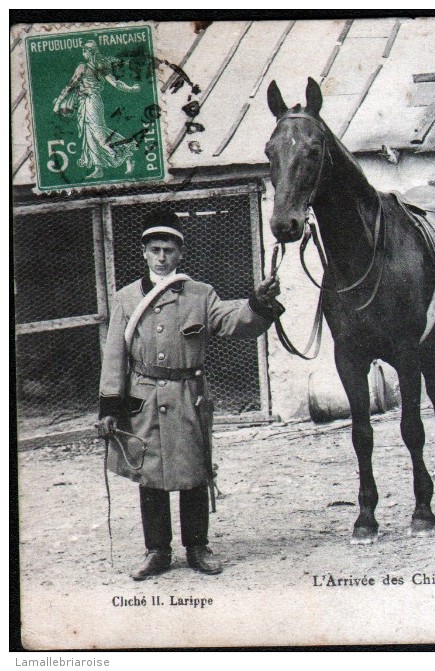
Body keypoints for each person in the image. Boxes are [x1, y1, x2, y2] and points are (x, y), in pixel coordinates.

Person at [97, 210, 283, 580]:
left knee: (193, 471)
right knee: (149, 474)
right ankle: (157, 551)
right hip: (143, 396)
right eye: (155, 249)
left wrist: (258, 303)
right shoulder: (125, 299)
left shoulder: (200, 295)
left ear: (181, 253)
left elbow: (232, 321)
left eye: (169, 249)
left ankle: (197, 546)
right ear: (144, 253)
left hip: (187, 395)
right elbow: (115, 355)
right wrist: (109, 406)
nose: (162, 257)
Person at [52, 40, 139, 179]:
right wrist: (131, 88)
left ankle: (123, 154)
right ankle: (98, 168)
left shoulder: (93, 67)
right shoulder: (90, 67)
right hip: (83, 103)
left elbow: (69, 86)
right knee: (89, 135)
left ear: (89, 52)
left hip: (92, 102)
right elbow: (71, 85)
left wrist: (131, 89)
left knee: (98, 131)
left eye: (84, 51)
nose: (83, 53)